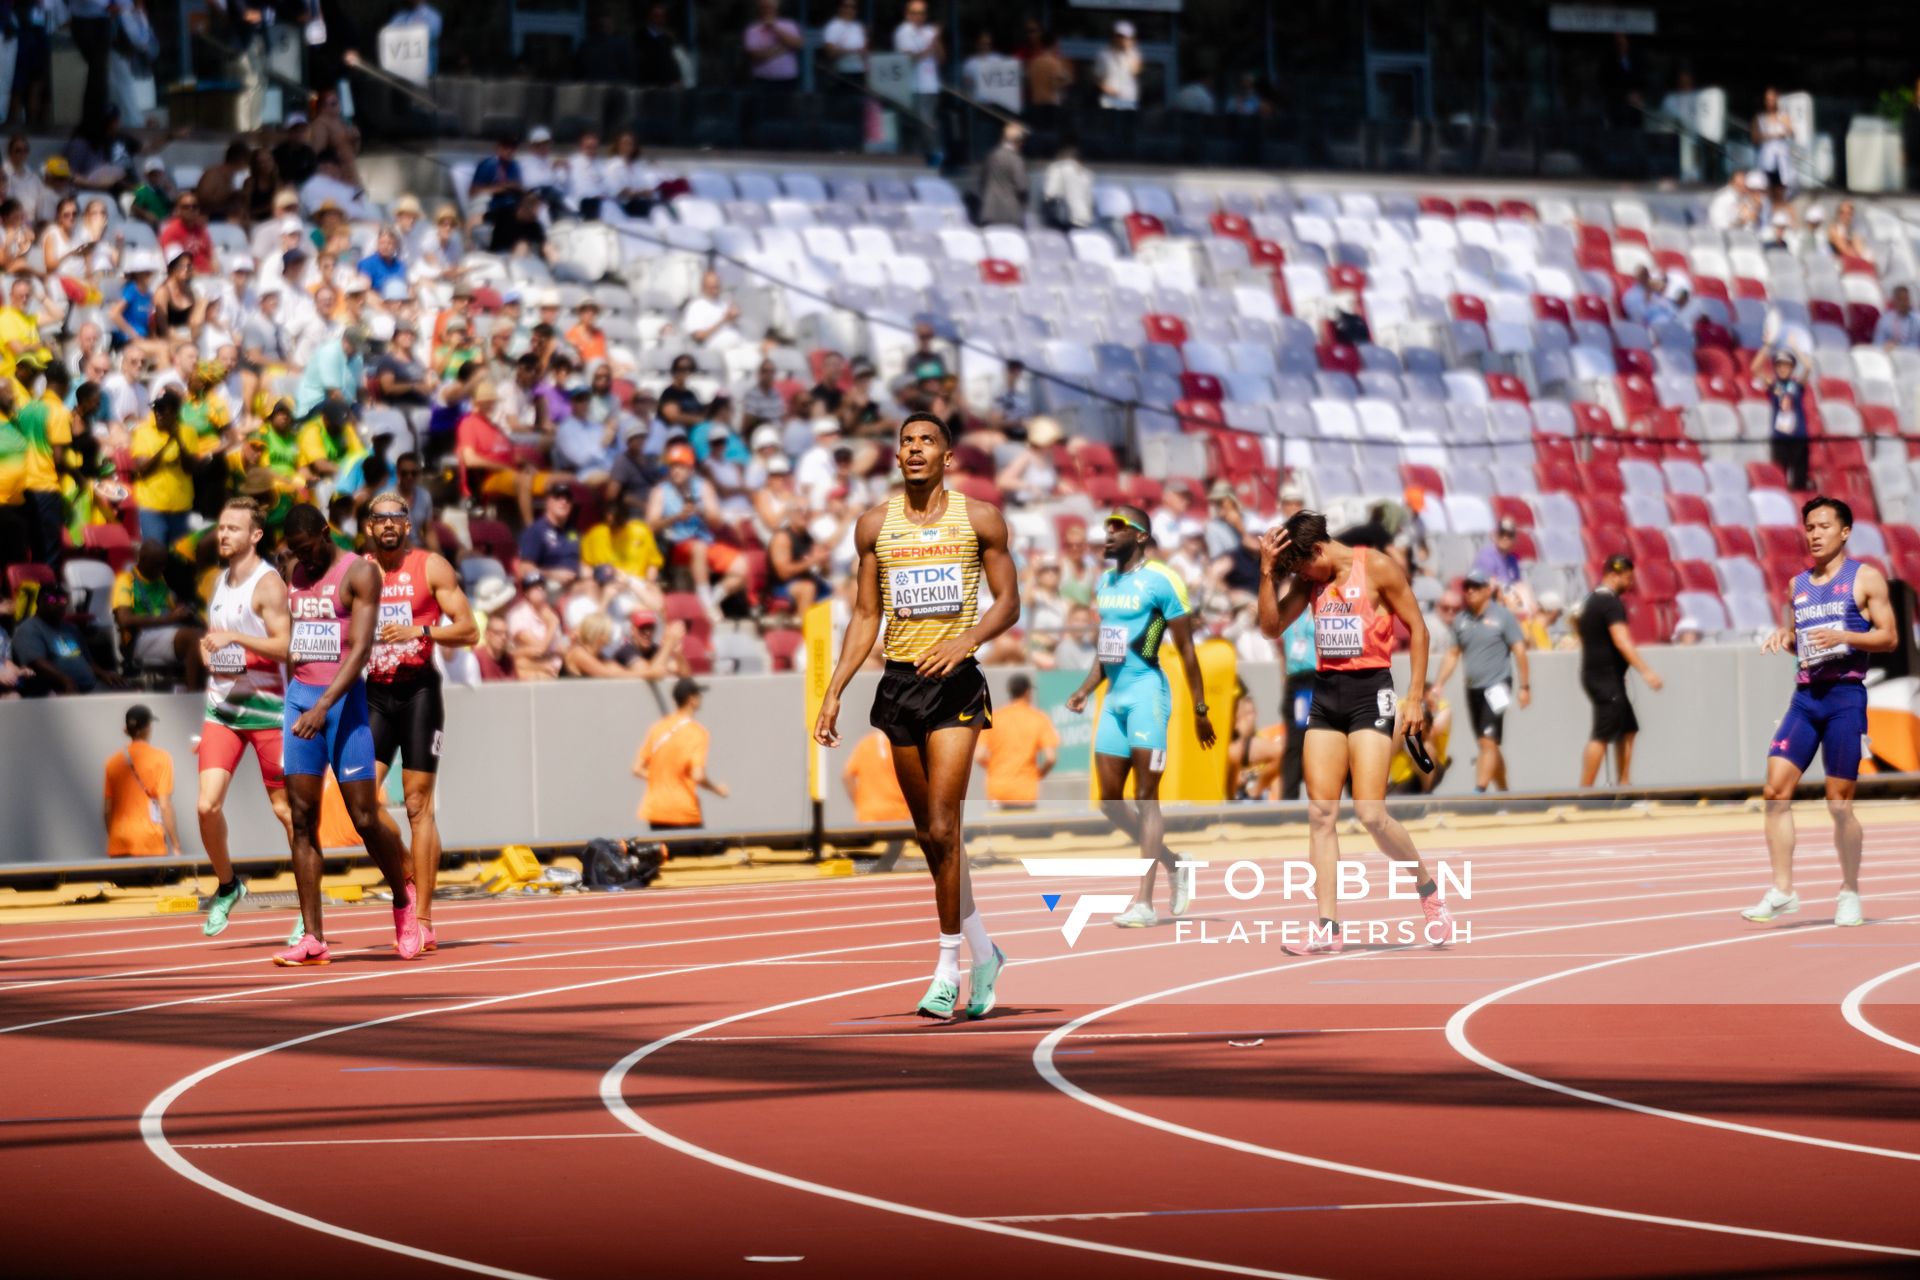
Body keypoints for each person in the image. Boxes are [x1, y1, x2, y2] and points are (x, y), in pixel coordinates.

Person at [813, 412, 1019, 1021]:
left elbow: (1009, 602)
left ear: (947, 457)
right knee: (931, 839)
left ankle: (945, 969)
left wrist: (965, 642)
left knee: (945, 825)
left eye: (927, 441)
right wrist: (833, 691)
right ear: (897, 456)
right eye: (906, 441)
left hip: (954, 685)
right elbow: (863, 615)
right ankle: (986, 953)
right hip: (899, 686)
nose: (915, 449)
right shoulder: (873, 527)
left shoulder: (980, 519)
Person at [1256, 509, 1454, 954]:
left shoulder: (1377, 567)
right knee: (1321, 814)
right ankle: (1327, 926)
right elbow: (1270, 627)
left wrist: (1415, 696)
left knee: (1370, 814)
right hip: (1326, 694)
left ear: (1319, 549)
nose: (1303, 578)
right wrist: (1268, 573)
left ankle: (1429, 894)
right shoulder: (1309, 579)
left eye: (1302, 567)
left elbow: (1418, 630)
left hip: (1370, 693)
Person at [275, 503, 420, 966]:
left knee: (363, 817)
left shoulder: (358, 573)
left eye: (308, 549)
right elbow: (294, 637)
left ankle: (402, 899)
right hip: (302, 701)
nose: (303, 560)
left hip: (343, 705)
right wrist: (300, 696)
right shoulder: (293, 571)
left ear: (325, 532)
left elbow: (359, 650)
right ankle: (313, 935)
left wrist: (323, 706)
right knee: (301, 817)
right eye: (295, 553)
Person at [1745, 498, 1897, 927]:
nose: (1814, 534)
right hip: (1806, 698)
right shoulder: (1797, 585)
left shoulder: (1865, 578)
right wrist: (1784, 636)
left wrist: (1844, 635)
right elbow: (1800, 639)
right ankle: (1782, 891)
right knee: (1775, 792)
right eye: (1809, 526)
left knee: (1839, 804)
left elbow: (1889, 638)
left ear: (1844, 531)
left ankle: (1849, 890)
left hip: (1844, 699)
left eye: (1823, 526)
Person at [1066, 508, 1215, 925]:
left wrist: (1201, 709)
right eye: (1107, 528)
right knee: (1110, 803)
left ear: (1142, 536)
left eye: (1119, 528)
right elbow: (1107, 648)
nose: (1108, 535)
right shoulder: (1105, 583)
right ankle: (1174, 862)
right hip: (1113, 697)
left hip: (1147, 694)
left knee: (1145, 798)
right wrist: (1083, 689)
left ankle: (1144, 902)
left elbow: (1186, 650)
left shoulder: (1163, 580)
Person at [364, 490, 477, 954]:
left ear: (407, 525)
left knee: (417, 805)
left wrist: (421, 630)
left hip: (419, 692)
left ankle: (424, 916)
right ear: (369, 528)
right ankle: (408, 866)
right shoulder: (360, 570)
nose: (389, 524)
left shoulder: (431, 567)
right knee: (360, 804)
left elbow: (470, 630)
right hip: (373, 692)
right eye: (379, 518)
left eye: (397, 517)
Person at [195, 498, 294, 936]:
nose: (223, 535)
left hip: (268, 710)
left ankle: (309, 911)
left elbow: (286, 646)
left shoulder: (267, 583)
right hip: (224, 709)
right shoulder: (219, 580)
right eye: (220, 527)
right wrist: (208, 650)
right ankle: (228, 884)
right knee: (206, 805)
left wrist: (235, 637)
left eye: (233, 528)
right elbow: (214, 639)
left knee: (286, 811)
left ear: (256, 535)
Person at [1435, 570, 1530, 792]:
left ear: (1488, 590)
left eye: (1476, 587)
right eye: (1467, 587)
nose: (1470, 591)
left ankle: (1480, 791)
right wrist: (1439, 683)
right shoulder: (1461, 620)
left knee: (1488, 741)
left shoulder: (1503, 617)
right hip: (1473, 688)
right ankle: (1505, 792)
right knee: (1488, 743)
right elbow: (1452, 654)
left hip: (1498, 685)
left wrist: (1525, 686)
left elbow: (1519, 649)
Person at [1576, 554, 1664, 788]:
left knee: (1628, 728)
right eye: (1628, 577)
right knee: (1602, 734)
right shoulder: (1610, 603)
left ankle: (1624, 787)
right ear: (1615, 575)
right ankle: (1584, 793)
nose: (1631, 583)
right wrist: (1646, 672)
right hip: (1606, 677)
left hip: (1599, 675)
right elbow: (1622, 640)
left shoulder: (1592, 600)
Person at [634, 677, 728, 829]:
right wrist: (718, 789)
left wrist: (663, 778)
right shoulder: (697, 733)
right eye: (698, 695)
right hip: (683, 812)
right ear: (692, 699)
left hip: (657, 810)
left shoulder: (657, 728)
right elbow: (698, 775)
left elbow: (637, 769)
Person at [105, 703, 180, 857]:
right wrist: (176, 845)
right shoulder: (161, 758)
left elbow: (107, 810)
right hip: (150, 842)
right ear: (147, 728)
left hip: (119, 843)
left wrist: (114, 837)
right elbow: (165, 806)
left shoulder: (112, 762)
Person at [976, 672, 1058, 809]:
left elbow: (979, 756)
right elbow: (1050, 758)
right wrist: (1038, 775)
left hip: (998, 789)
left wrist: (995, 768)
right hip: (1026, 790)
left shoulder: (995, 717)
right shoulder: (1039, 718)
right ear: (1027, 692)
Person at [1752, 343, 1809, 491]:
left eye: (1787, 365)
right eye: (1779, 365)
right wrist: (1767, 346)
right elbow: (1755, 368)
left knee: (1799, 480)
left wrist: (1796, 348)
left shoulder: (1796, 386)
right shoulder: (1775, 385)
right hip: (1780, 438)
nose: (1783, 369)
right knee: (1779, 477)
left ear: (1792, 368)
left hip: (1799, 437)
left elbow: (1808, 366)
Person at [844, 729, 911, 822]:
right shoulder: (901, 744)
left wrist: (859, 803)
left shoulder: (865, 744)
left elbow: (847, 775)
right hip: (899, 813)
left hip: (869, 814)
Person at [977, 123, 1028, 228]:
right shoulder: (1015, 159)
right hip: (1010, 215)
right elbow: (1022, 187)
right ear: (1018, 142)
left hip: (989, 212)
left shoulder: (990, 156)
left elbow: (982, 183)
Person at [743, 0, 802, 85]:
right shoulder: (752, 29)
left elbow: (798, 45)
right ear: (759, 8)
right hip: (761, 80)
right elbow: (755, 56)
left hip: (788, 80)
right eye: (764, 6)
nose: (767, 9)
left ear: (777, 7)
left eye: (770, 6)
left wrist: (773, 27)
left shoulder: (790, 24)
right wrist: (782, 49)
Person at [1095, 21, 1142, 110]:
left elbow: (1136, 71)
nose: (1122, 40)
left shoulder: (1134, 54)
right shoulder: (1103, 54)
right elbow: (1097, 77)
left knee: (1127, 123)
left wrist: (1128, 51)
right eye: (1119, 37)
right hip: (1109, 100)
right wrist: (1106, 89)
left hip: (1129, 99)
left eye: (1125, 38)